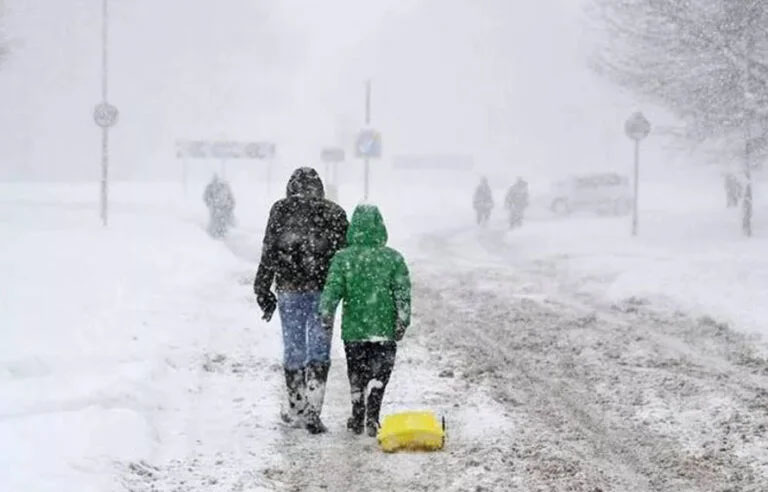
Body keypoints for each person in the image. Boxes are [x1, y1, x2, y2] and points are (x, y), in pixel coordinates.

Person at [253, 167, 348, 434]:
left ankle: (296, 407)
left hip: (289, 289)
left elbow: (269, 248)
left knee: (294, 347)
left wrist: (262, 287)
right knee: (319, 348)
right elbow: (345, 257)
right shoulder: (335, 213)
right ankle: (313, 410)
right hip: (324, 291)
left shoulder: (280, 210)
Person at [320, 204, 411, 438]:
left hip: (355, 330)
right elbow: (402, 292)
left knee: (356, 372)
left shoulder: (343, 259)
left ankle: (357, 411)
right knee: (381, 372)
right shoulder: (393, 259)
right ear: (380, 227)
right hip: (384, 329)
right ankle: (373, 414)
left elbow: (333, 288)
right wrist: (402, 319)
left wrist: (326, 310)